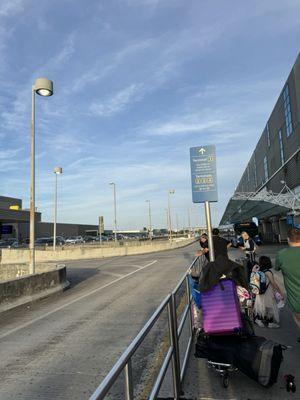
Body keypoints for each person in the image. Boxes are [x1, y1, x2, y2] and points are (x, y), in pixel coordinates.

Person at [275, 227, 300, 332]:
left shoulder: (281, 254)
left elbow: (276, 268)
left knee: (297, 318)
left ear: (288, 239)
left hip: (296, 300)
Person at [253, 256, 284, 328]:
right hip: (268, 292)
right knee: (270, 306)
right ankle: (270, 323)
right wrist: (279, 291)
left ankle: (258, 319)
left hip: (260, 292)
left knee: (262, 305)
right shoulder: (268, 272)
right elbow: (273, 283)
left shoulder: (258, 270)